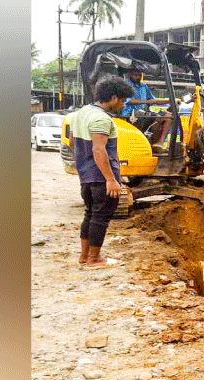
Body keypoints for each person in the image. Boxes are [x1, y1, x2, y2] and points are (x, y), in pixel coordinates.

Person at [71, 75, 135, 267]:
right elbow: (99, 150)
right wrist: (111, 179)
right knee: (101, 217)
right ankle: (94, 259)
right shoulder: (101, 119)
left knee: (90, 214)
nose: (123, 106)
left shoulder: (80, 114)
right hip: (101, 178)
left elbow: (73, 142)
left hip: (86, 176)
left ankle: (84, 256)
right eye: (123, 101)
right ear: (114, 98)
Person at [121, 70, 172, 154]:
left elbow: (152, 100)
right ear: (130, 74)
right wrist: (145, 102)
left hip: (145, 113)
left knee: (168, 116)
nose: (138, 77)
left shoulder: (144, 86)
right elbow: (129, 101)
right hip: (130, 114)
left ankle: (158, 144)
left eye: (139, 75)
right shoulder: (126, 86)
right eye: (135, 75)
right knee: (146, 115)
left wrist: (169, 101)